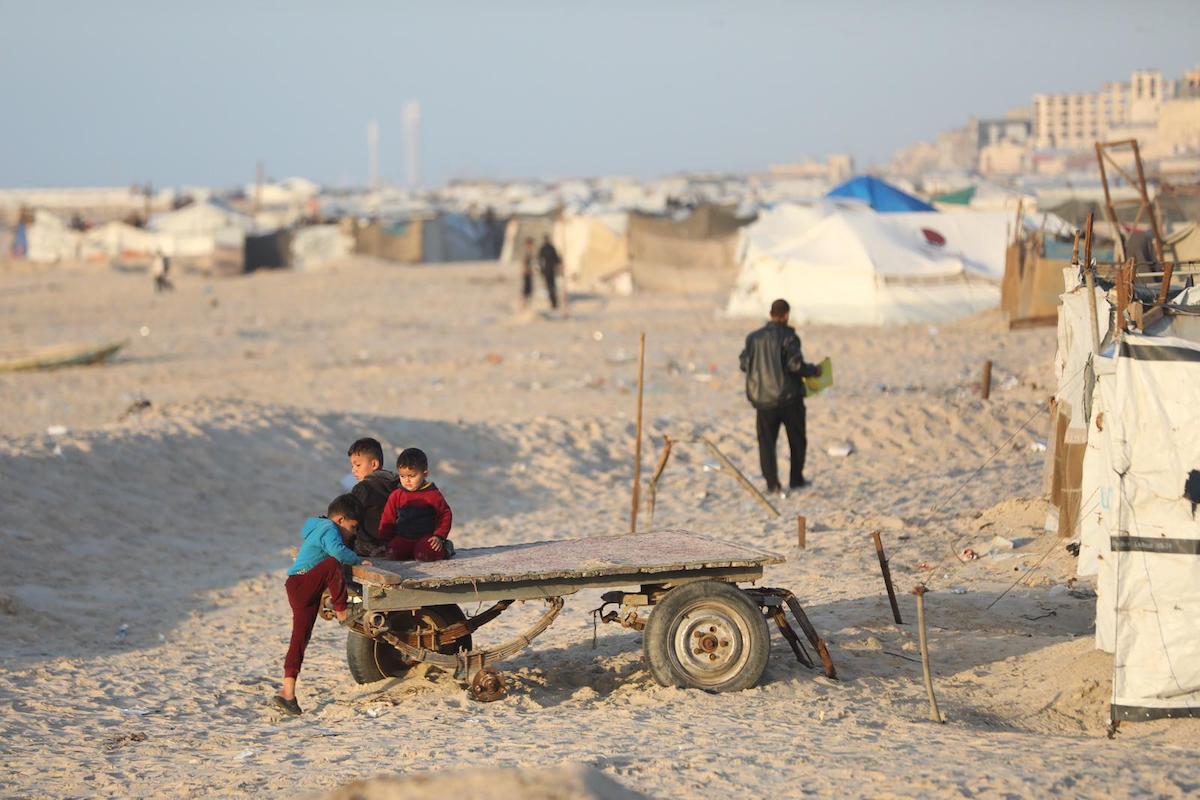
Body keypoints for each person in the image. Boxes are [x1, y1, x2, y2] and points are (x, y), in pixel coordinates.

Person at [274, 494, 372, 716]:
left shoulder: (318, 528)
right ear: (339, 520)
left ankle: (287, 692)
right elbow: (337, 553)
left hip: (298, 586)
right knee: (332, 564)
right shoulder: (328, 528)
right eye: (352, 527)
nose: (353, 533)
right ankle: (341, 610)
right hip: (302, 583)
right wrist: (357, 560)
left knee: (300, 639)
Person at [739, 298, 822, 496]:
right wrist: (815, 370)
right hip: (789, 398)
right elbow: (796, 366)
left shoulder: (753, 338)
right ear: (786, 315)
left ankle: (772, 485)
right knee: (797, 441)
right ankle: (796, 480)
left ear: (771, 314)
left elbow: (744, 364)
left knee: (767, 443)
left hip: (763, 400)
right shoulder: (789, 337)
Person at [378, 447, 453, 561]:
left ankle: (446, 549)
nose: (407, 480)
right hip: (403, 537)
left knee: (423, 555)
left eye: (412, 476)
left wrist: (439, 536)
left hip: (426, 538)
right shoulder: (397, 495)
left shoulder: (433, 495)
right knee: (393, 553)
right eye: (402, 476)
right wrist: (384, 542)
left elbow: (445, 515)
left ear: (425, 474)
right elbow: (388, 519)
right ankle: (410, 550)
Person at [345, 437, 399, 556]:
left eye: (358, 465)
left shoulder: (363, 488)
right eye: (352, 466)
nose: (354, 470)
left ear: (374, 464)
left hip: (370, 544)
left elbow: (350, 515)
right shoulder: (397, 483)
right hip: (394, 542)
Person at [536, 234, 562, 311]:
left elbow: (556, 260)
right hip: (549, 270)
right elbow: (540, 260)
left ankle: (553, 302)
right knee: (551, 287)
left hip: (548, 270)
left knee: (551, 287)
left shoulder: (546, 248)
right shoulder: (547, 248)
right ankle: (553, 302)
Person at [520, 236, 537, 309]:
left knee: (529, 290)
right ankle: (524, 306)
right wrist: (527, 270)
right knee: (526, 291)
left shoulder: (530, 252)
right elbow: (525, 263)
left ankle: (527, 306)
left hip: (529, 273)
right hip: (526, 273)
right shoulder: (526, 252)